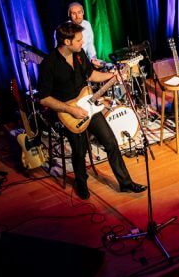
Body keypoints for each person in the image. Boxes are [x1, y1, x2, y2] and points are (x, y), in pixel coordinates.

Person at [38, 22, 146, 199]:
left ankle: (126, 183)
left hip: (89, 105)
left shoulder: (79, 54)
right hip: (69, 114)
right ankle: (81, 183)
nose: (83, 42)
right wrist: (70, 110)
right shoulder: (49, 64)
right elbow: (43, 98)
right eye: (79, 40)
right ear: (66, 41)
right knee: (80, 151)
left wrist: (113, 76)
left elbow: (90, 75)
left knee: (111, 142)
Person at [53, 2, 102, 68]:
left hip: (85, 62)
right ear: (69, 15)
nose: (77, 16)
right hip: (69, 65)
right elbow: (58, 51)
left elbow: (90, 44)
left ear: (83, 13)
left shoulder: (87, 24)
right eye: (74, 13)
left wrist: (93, 59)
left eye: (79, 12)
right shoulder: (62, 30)